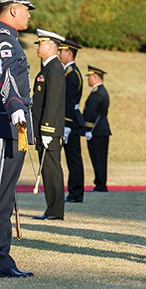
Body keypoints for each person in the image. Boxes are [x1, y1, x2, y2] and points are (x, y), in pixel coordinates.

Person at [0, 0, 35, 278]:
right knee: (1, 197)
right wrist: (15, 107)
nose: (28, 14)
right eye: (25, 9)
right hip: (5, 125)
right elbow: (5, 74)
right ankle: (1, 260)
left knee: (6, 196)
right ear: (13, 9)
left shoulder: (10, 38)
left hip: (13, 127)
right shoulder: (4, 39)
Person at [32, 29, 66, 221]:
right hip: (43, 128)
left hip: (49, 130)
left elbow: (53, 102)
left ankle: (55, 210)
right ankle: (52, 208)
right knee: (48, 169)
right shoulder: (47, 67)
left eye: (40, 43)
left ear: (51, 46)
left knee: (52, 169)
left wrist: (47, 129)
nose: (38, 46)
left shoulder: (54, 69)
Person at [59, 39, 85, 203]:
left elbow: (69, 102)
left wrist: (67, 124)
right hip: (71, 121)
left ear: (69, 53)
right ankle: (75, 192)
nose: (60, 53)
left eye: (62, 51)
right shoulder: (70, 73)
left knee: (74, 159)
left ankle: (76, 193)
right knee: (73, 159)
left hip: (72, 122)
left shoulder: (71, 74)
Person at [83, 65, 111, 192]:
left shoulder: (97, 93)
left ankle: (100, 184)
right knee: (99, 158)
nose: (88, 80)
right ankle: (100, 183)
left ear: (95, 77)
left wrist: (87, 129)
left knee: (98, 158)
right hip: (100, 129)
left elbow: (91, 113)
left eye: (89, 77)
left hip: (96, 130)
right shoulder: (101, 91)